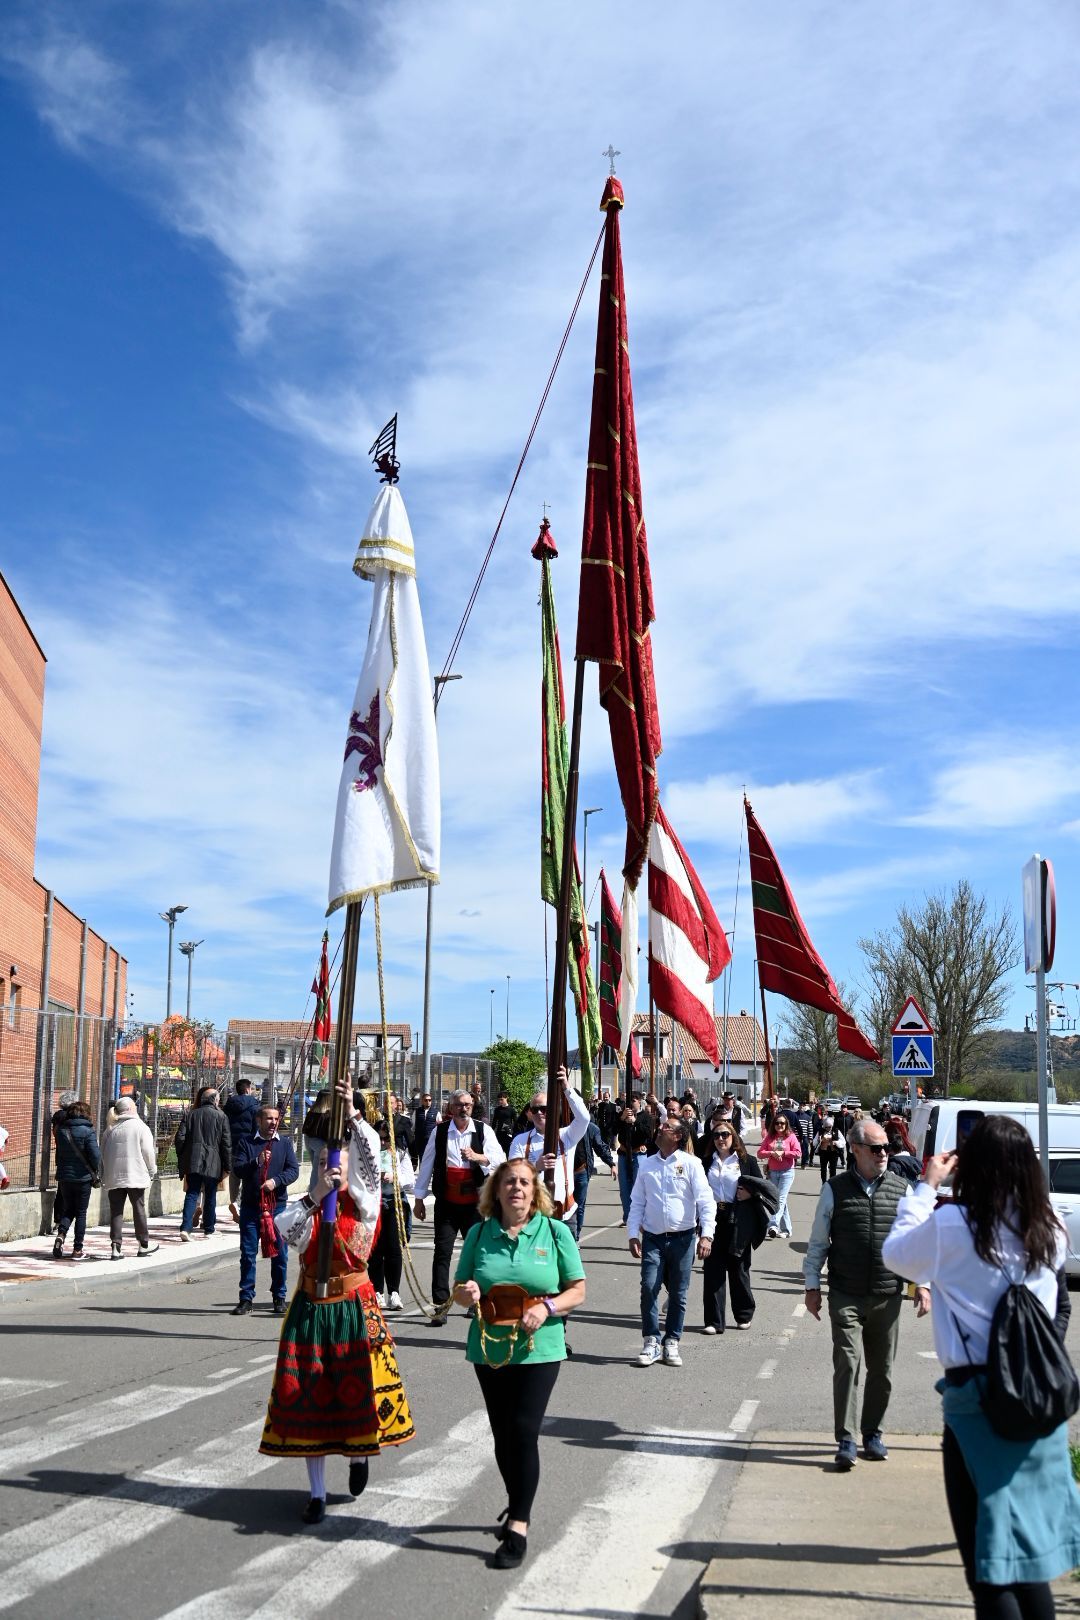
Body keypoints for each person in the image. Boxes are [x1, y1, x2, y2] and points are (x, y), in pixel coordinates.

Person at [883, 1116, 1080, 1619]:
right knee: (1028, 1561)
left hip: (977, 1401)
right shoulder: (1050, 1228)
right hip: (1038, 1396)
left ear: (975, 1167)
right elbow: (1057, 1304)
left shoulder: (954, 1226)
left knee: (988, 1568)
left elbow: (897, 1255)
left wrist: (927, 1186)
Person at [260, 1082, 415, 1523]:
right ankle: (316, 1494)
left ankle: (359, 1456)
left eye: (340, 1167)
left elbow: (369, 1159)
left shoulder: (365, 1210)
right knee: (309, 1396)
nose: (334, 1171)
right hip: (311, 1308)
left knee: (356, 1390)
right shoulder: (308, 1212)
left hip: (354, 1308)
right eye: (327, 1166)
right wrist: (315, 1197)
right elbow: (284, 1229)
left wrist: (353, 1115)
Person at [451, 1157, 586, 1570]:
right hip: (488, 1346)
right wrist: (468, 1293)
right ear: (496, 1190)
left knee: (524, 1432)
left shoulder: (555, 1231)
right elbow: (458, 1288)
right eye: (509, 1182)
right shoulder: (480, 1233)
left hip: (539, 1347)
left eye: (525, 1183)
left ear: (535, 1190)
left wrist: (547, 1307)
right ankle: (517, 1502)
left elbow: (577, 1290)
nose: (517, 1189)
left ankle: (519, 1524)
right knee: (503, 1434)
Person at [803, 1117, 929, 1470]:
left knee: (882, 1369)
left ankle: (873, 1433)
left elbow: (916, 1243)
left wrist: (922, 1284)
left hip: (887, 1295)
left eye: (886, 1147)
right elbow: (818, 1241)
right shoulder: (835, 1189)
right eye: (875, 1149)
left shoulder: (902, 1189)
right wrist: (812, 1285)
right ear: (856, 1150)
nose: (883, 1154)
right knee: (847, 1363)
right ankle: (846, 1438)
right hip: (846, 1292)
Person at [627, 1115, 715, 1367]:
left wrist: (706, 1235)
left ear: (677, 1136)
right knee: (648, 1287)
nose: (660, 1128)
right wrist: (632, 1234)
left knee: (678, 1293)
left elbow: (706, 1201)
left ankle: (672, 1341)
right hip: (653, 1238)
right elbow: (637, 1202)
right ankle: (651, 1341)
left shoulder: (691, 1163)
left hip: (683, 1239)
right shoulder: (647, 1165)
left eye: (666, 1127)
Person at [413, 1089, 505, 1321]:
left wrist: (478, 1157)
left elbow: (500, 1160)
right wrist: (419, 1199)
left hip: (474, 1203)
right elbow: (427, 1164)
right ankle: (441, 1304)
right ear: (450, 1107)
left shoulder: (483, 1130)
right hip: (447, 1202)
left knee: (475, 1253)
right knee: (442, 1252)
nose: (463, 1109)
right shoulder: (440, 1131)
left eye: (467, 1105)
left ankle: (475, 1301)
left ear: (472, 1106)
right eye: (459, 1105)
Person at [700, 1119, 778, 1333]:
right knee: (713, 1269)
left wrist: (750, 1194)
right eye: (716, 1135)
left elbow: (763, 1188)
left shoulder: (746, 1161)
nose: (720, 1139)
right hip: (712, 1218)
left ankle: (744, 1314)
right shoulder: (705, 1162)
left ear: (733, 1137)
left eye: (725, 1134)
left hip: (739, 1219)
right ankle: (713, 1321)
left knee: (739, 1269)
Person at [231, 1102, 300, 1315]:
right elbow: (238, 1169)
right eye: (269, 1118)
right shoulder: (246, 1143)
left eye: (276, 1119)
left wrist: (276, 1181)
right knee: (248, 1254)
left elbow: (293, 1170)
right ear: (259, 1120)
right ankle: (246, 1298)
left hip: (277, 1208)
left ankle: (279, 1296)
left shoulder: (284, 1143)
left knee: (280, 1255)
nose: (273, 1122)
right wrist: (256, 1161)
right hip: (251, 1208)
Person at [507, 1069, 590, 1222]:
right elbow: (512, 1174)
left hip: (564, 1214)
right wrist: (535, 1167)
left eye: (544, 1109)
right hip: (531, 1214)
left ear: (552, 1110)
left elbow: (584, 1118)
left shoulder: (566, 1136)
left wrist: (566, 1087)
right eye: (535, 1109)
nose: (539, 1113)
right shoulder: (520, 1140)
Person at [100, 1095, 159, 1258]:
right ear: (131, 1109)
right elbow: (148, 1152)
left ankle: (116, 1246)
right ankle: (143, 1244)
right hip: (136, 1175)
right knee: (139, 1208)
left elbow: (103, 1153)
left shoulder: (109, 1130)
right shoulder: (140, 1127)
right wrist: (152, 1170)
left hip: (114, 1176)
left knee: (116, 1211)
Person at [368, 1115, 416, 1311]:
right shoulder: (368, 1155)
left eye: (386, 1139)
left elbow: (410, 1180)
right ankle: (377, 1291)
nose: (382, 1143)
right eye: (378, 1138)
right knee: (376, 1249)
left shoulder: (400, 1154)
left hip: (395, 1202)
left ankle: (394, 1292)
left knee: (394, 1248)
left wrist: (394, 1177)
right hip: (374, 1204)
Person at [176, 1086, 231, 1239]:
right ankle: (209, 1228)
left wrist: (183, 1156)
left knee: (192, 1193)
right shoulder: (221, 1116)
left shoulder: (190, 1114)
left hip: (193, 1160)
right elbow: (226, 1144)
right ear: (215, 1100)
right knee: (210, 1194)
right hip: (214, 1161)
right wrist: (228, 1166)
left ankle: (185, 1228)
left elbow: (180, 1138)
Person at [51, 1100, 101, 1260]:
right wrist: (95, 1170)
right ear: (86, 1114)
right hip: (83, 1178)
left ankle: (61, 1235)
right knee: (80, 1213)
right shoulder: (88, 1131)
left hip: (64, 1176)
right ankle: (77, 1250)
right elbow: (95, 1156)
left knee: (68, 1209)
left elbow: (59, 1154)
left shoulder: (61, 1130)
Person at [756, 1111, 802, 1238]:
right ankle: (787, 1230)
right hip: (773, 1172)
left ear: (786, 1124)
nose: (779, 1125)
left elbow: (798, 1153)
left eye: (782, 1123)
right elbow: (760, 1153)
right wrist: (771, 1153)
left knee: (780, 1199)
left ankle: (773, 1225)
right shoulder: (769, 1137)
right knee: (780, 1200)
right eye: (777, 1123)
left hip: (787, 1172)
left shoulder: (791, 1137)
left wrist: (784, 1153)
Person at [571, 1113, 616, 1239]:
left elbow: (600, 1147)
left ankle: (575, 1237)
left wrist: (611, 1163)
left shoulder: (591, 1128)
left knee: (579, 1206)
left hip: (581, 1171)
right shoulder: (564, 1126)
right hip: (564, 1173)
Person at [224, 1079, 260, 1221]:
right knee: (248, 1174)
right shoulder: (254, 1106)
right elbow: (256, 1127)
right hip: (248, 1145)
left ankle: (233, 1201)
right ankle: (239, 1203)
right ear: (247, 1089)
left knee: (234, 1175)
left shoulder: (228, 1105)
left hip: (231, 1144)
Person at [615, 1096, 653, 1224]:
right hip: (623, 1154)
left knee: (638, 1187)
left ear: (639, 1102)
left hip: (638, 1154)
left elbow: (648, 1134)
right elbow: (613, 1130)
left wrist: (635, 1121)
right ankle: (628, 1217)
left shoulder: (645, 1116)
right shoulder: (622, 1115)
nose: (631, 1103)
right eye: (629, 1101)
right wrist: (622, 1118)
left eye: (633, 1101)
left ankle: (640, 1217)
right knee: (624, 1188)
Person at [412, 1091, 439, 1167]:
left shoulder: (436, 1112)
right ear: (422, 1101)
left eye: (429, 1100)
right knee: (422, 1157)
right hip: (420, 1139)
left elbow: (439, 1126)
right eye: (426, 1100)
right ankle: (422, 1172)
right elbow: (413, 1125)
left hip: (431, 1139)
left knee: (431, 1157)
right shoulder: (417, 1112)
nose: (428, 1102)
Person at [817, 1115, 845, 1183]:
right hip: (823, 1152)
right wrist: (819, 1140)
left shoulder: (836, 1131)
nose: (828, 1128)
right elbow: (815, 1142)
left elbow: (843, 1141)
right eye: (826, 1127)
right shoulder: (821, 1131)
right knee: (823, 1169)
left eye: (829, 1127)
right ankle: (824, 1182)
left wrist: (836, 1142)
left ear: (832, 1126)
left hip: (833, 1152)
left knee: (833, 1169)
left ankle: (831, 1183)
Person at [491, 1091, 517, 1156]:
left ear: (506, 1098)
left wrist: (514, 1132)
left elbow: (516, 1122)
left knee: (508, 1151)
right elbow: (494, 1121)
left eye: (501, 1099)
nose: (500, 1101)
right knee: (499, 1151)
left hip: (508, 1133)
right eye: (499, 1100)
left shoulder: (511, 1110)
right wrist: (491, 1131)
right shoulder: (497, 1110)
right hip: (500, 1133)